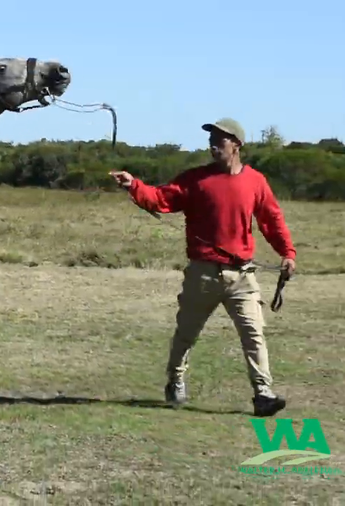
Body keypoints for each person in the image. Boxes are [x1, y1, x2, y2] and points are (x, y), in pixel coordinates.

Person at [109, 118, 296, 417]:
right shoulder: (194, 179)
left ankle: (263, 394)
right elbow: (160, 199)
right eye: (211, 139)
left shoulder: (255, 181)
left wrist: (287, 253)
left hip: (243, 276)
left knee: (254, 334)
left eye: (220, 139)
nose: (213, 144)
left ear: (237, 144)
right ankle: (176, 379)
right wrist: (134, 186)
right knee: (186, 333)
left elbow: (271, 221)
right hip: (203, 274)